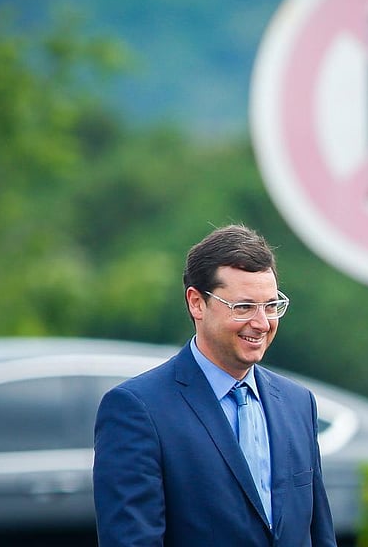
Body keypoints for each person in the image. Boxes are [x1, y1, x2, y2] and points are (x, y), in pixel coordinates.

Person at [93, 224, 337, 546]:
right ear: (197, 303)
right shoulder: (137, 410)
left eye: (270, 305)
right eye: (244, 307)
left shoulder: (297, 403)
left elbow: (319, 535)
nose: (262, 323)